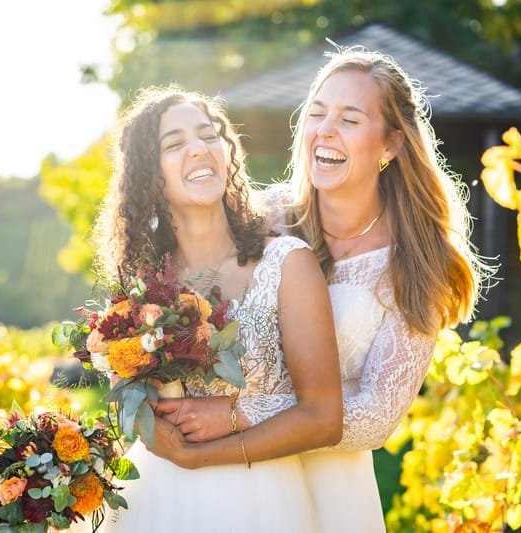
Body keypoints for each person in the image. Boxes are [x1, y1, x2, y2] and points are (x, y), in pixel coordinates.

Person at [153, 46, 488, 532]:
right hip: (223, 486)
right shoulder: (257, 221)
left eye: (349, 120)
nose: (324, 130)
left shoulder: (417, 264)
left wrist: (238, 414)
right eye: (316, 113)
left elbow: (376, 416)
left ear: (391, 144)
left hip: (327, 492)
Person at [93, 85, 343, 533]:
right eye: (175, 144)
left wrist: (214, 437)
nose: (198, 149)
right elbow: (131, 406)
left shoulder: (287, 264)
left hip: (263, 502)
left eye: (208, 136)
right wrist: (150, 425)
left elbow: (324, 418)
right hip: (158, 503)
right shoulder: (139, 288)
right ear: (150, 175)